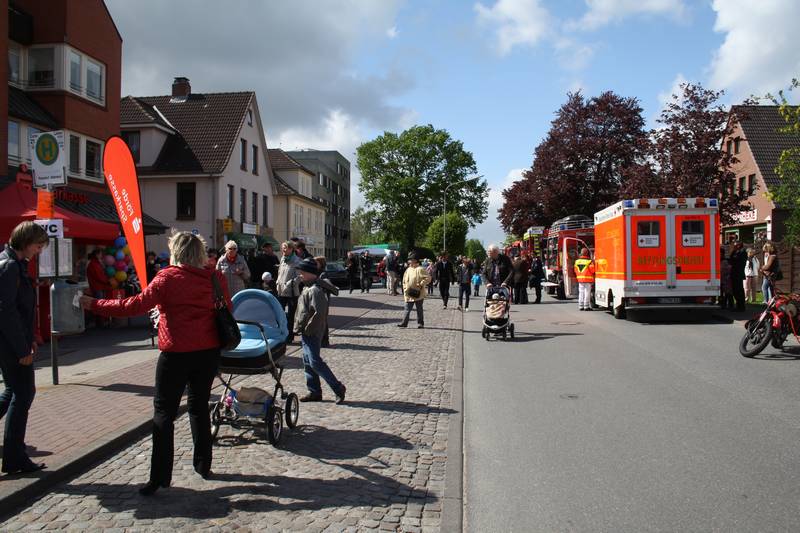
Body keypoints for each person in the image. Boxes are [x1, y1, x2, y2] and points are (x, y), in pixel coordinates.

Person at [80, 231, 231, 495]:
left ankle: (159, 477)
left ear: (176, 252)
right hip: (207, 351)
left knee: (164, 414)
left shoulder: (167, 278)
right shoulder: (214, 277)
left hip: (176, 353)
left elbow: (133, 305)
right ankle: (203, 464)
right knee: (199, 408)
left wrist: (95, 304)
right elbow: (227, 308)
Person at [0, 221, 48, 474]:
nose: (39, 250)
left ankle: (13, 455)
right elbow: (6, 312)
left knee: (12, 392)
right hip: (10, 345)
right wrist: (22, 349)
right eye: (38, 246)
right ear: (26, 242)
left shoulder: (16, 265)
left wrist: (29, 339)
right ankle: (14, 457)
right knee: (23, 393)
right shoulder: (9, 267)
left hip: (14, 342)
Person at [294, 258, 346, 404]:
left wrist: (308, 329)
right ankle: (314, 391)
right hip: (306, 330)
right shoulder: (307, 287)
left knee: (315, 362)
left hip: (312, 331)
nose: (300, 275)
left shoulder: (315, 290)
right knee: (307, 361)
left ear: (311, 273)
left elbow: (319, 313)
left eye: (302, 272)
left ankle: (338, 387)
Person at [398, 251, 431, 328]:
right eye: (409, 259)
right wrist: (405, 288)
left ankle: (420, 323)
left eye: (411, 259)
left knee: (419, 309)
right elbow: (404, 280)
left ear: (415, 260)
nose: (409, 261)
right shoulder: (408, 269)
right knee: (407, 309)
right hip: (409, 293)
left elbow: (428, 278)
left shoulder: (420, 269)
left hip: (418, 293)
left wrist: (421, 283)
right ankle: (404, 323)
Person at [276, 241, 301, 343]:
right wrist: (278, 282)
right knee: (280, 313)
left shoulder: (297, 261)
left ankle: (290, 336)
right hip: (281, 291)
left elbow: (300, 277)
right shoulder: (283, 259)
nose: (283, 250)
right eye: (283, 248)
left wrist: (289, 283)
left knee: (291, 315)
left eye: (285, 248)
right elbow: (280, 273)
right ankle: (281, 333)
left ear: (291, 249)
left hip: (291, 292)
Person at [314, 256, 338, 348]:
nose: (314, 264)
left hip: (323, 298)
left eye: (316, 262)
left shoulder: (323, 274)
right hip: (319, 298)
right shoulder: (317, 272)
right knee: (320, 319)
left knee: (323, 320)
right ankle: (321, 340)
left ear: (320, 264)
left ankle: (324, 341)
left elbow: (327, 286)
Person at [86, 248, 113, 328]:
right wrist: (107, 281)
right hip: (98, 287)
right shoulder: (94, 264)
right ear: (97, 254)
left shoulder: (95, 263)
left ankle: (100, 321)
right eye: (100, 254)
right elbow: (99, 276)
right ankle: (99, 322)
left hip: (99, 286)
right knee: (99, 304)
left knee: (99, 304)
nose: (101, 255)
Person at [729, 242, 747, 311]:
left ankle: (741, 306)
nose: (734, 246)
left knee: (739, 290)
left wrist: (734, 253)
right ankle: (738, 305)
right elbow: (731, 259)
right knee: (735, 290)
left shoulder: (742, 252)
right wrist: (733, 251)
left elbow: (736, 261)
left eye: (735, 245)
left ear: (739, 245)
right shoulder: (736, 252)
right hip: (734, 274)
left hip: (738, 274)